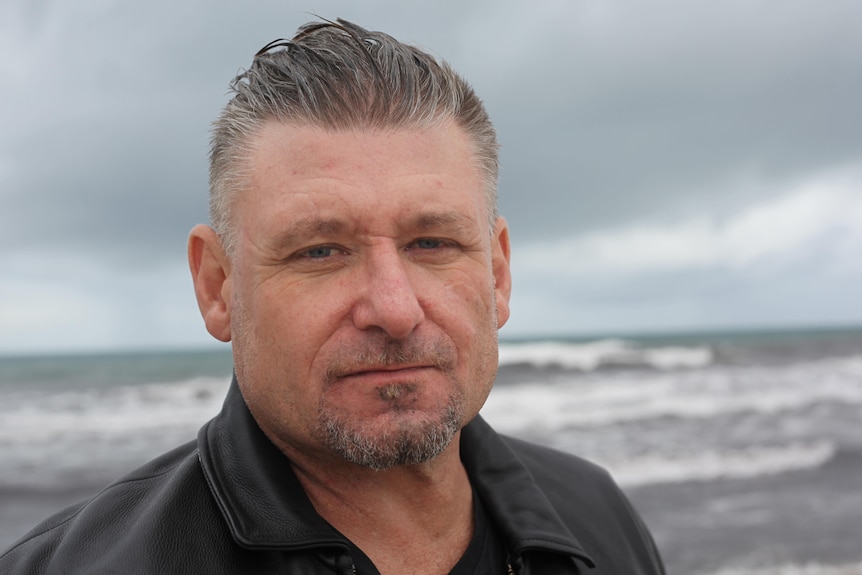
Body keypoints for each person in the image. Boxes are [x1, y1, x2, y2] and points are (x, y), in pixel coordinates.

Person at [0, 19, 665, 574]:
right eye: (320, 251)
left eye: (432, 242)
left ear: (497, 275)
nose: (395, 307)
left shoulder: (594, 518)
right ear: (218, 287)